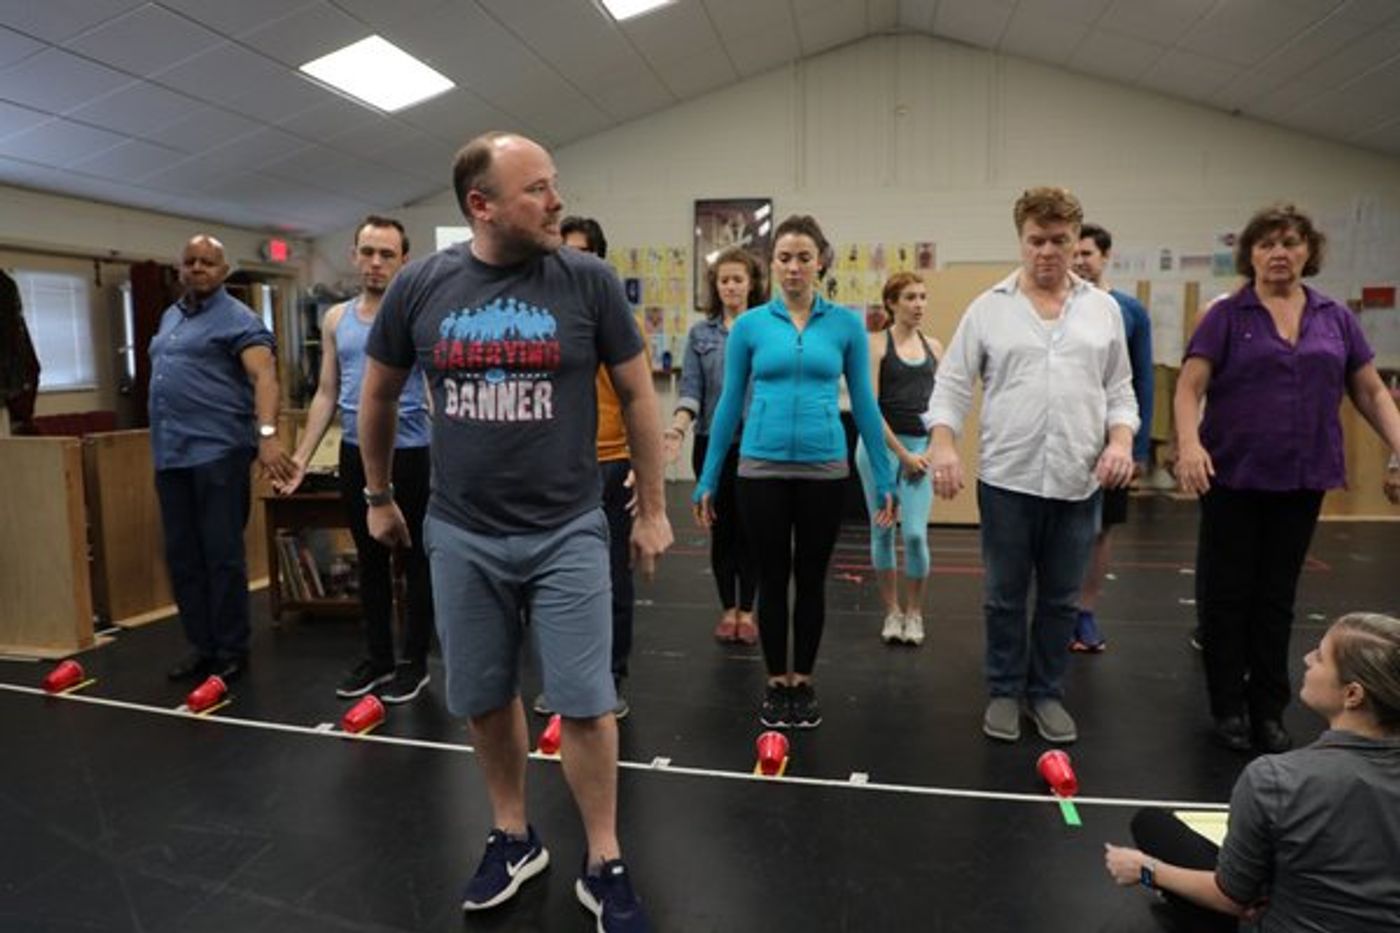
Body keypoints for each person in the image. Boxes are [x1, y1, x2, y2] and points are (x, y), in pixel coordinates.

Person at [358, 131, 672, 933]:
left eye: (553, 183)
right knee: (484, 694)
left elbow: (639, 394)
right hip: (462, 532)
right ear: (482, 205)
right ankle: (513, 834)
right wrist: (378, 495)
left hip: (568, 528)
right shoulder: (421, 286)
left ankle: (604, 858)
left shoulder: (588, 281)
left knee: (588, 702)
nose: (556, 200)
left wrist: (653, 508)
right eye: (537, 189)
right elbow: (380, 393)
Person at [1175, 203, 1400, 754]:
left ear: (1308, 251)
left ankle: (1268, 709)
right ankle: (1228, 706)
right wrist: (1189, 444)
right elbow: (1189, 386)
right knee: (1227, 596)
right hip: (1233, 475)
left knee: (1277, 598)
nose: (1279, 253)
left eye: (1291, 243)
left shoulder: (1334, 317)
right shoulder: (1227, 316)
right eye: (1267, 244)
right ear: (1250, 255)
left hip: (1302, 476)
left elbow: (1370, 390)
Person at [924, 187, 1139, 745]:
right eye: (1036, 240)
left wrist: (1120, 442)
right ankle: (1003, 689)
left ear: (1076, 240)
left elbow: (1121, 391)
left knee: (1062, 599)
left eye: (1059, 241)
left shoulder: (1103, 311)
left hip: (1078, 480)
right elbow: (951, 386)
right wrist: (943, 445)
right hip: (1007, 480)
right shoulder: (988, 308)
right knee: (1003, 596)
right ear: (1020, 239)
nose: (1047, 251)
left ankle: (1045, 692)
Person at [693, 214, 895, 730]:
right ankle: (774, 683)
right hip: (759, 468)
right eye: (784, 258)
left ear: (821, 261)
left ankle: (801, 682)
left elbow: (865, 404)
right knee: (771, 576)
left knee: (809, 579)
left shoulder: (845, 325)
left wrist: (885, 477)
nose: (794, 267)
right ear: (773, 264)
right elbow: (729, 402)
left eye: (804, 257)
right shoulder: (751, 326)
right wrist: (708, 476)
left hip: (824, 468)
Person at [1104, 612, 1400, 933]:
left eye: (1320, 657)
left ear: (1352, 694)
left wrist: (1146, 870)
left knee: (1152, 826)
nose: (1307, 659)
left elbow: (1232, 898)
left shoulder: (1276, 779)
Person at [278, 216, 434, 703]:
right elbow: (327, 392)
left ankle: (414, 662)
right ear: (354, 256)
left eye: (386, 254)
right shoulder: (336, 319)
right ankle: (378, 657)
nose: (375, 263)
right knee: (369, 558)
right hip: (356, 454)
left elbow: (435, 391)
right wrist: (302, 457)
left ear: (403, 260)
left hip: (412, 452)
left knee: (415, 560)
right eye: (367, 252)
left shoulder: (416, 316)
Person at [150, 235, 296, 682]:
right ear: (180, 268)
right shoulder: (171, 315)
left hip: (219, 453)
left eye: (207, 262)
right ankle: (202, 645)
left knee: (221, 554)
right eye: (190, 261)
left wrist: (267, 435)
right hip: (171, 454)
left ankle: (232, 648)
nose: (197, 268)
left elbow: (265, 377)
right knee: (182, 556)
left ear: (224, 270)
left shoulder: (239, 319)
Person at [533, 215, 634, 719]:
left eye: (583, 253)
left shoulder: (614, 315)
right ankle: (561, 680)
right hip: (553, 465)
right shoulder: (539, 318)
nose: (572, 261)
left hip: (610, 462)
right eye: (564, 251)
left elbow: (637, 395)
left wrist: (641, 464)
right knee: (551, 581)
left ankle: (609, 679)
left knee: (611, 576)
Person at [665, 246, 765, 645]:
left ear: (751, 284)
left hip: (758, 445)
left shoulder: (766, 329)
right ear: (716, 285)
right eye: (724, 280)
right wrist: (677, 429)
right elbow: (691, 390)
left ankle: (749, 610)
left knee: (753, 531)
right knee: (722, 530)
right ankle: (729, 609)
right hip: (712, 445)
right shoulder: (700, 335)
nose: (731, 286)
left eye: (738, 279)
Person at [1069, 222, 1154, 652]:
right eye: (1074, 253)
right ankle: (1055, 612)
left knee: (1101, 529)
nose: (1079, 261)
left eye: (1087, 253)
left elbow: (1142, 382)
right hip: (1067, 437)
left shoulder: (1130, 311)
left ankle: (1084, 613)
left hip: (1112, 441)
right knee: (1057, 529)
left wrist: (1136, 447)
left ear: (1105, 256)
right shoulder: (1057, 305)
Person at [854, 271, 943, 646]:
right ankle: (892, 611)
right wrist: (902, 455)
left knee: (916, 536)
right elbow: (869, 409)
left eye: (922, 296)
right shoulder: (875, 345)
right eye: (910, 297)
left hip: (920, 452)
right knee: (883, 531)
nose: (919, 304)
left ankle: (914, 612)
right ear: (891, 303)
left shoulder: (934, 347)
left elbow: (942, 408)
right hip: (880, 451)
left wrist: (930, 451)